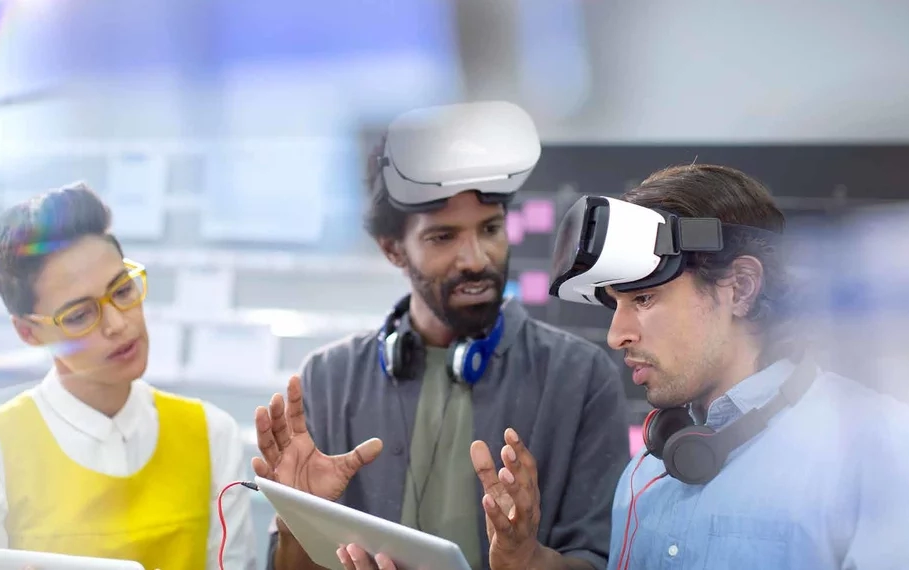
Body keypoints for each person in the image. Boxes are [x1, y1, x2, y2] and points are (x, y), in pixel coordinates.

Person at [253, 101, 630, 570]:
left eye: (490, 229)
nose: (475, 258)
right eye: (443, 237)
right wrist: (296, 522)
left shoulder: (580, 377)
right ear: (393, 250)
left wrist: (528, 559)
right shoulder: (329, 378)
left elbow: (599, 560)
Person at [547, 163, 909, 570]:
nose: (616, 335)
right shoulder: (642, 478)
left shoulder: (884, 455)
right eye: (615, 305)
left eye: (643, 299)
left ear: (741, 288)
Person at [0, 183, 257, 570]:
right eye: (80, 315)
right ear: (29, 332)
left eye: (122, 290)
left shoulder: (211, 434)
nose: (117, 323)